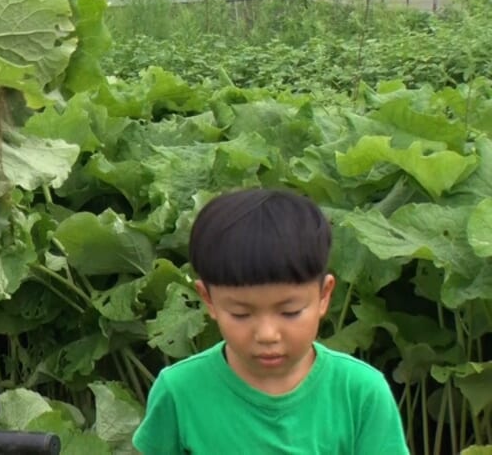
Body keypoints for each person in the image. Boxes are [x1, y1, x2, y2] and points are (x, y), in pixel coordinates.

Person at [132, 188, 410, 454]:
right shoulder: (180, 391)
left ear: (324, 295)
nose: (267, 334)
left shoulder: (360, 392)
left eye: (289, 312)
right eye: (241, 314)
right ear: (208, 300)